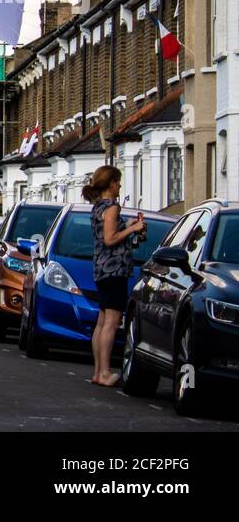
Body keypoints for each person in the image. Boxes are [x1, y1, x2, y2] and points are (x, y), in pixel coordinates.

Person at [82, 165, 146, 387]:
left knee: (102, 322)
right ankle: (105, 372)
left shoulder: (98, 207)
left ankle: (98, 371)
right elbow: (110, 239)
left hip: (101, 269)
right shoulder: (112, 207)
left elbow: (106, 234)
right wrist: (132, 229)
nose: (120, 185)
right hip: (114, 270)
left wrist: (125, 225)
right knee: (111, 322)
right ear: (110, 183)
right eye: (118, 182)